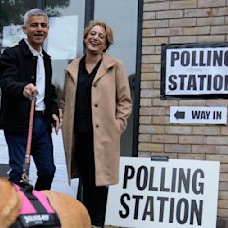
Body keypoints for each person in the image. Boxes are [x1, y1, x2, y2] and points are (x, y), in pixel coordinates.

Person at [61, 21, 132, 227]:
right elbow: (66, 99)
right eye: (92, 34)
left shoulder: (115, 66)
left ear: (106, 43)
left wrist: (118, 125)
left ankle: (97, 223)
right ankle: (85, 221)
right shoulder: (72, 68)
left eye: (101, 36)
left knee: (99, 185)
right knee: (84, 179)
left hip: (103, 136)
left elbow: (125, 101)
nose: (95, 38)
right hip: (79, 134)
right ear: (85, 38)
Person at [0, 8, 60, 191]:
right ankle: (16, 212)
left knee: (48, 170)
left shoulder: (46, 58)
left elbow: (49, 90)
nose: (39, 29)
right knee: (19, 172)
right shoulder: (11, 54)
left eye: (43, 25)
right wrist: (22, 88)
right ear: (25, 29)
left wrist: (54, 112)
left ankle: (36, 205)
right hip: (17, 123)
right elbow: (7, 82)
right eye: (34, 25)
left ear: (47, 29)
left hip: (41, 123)